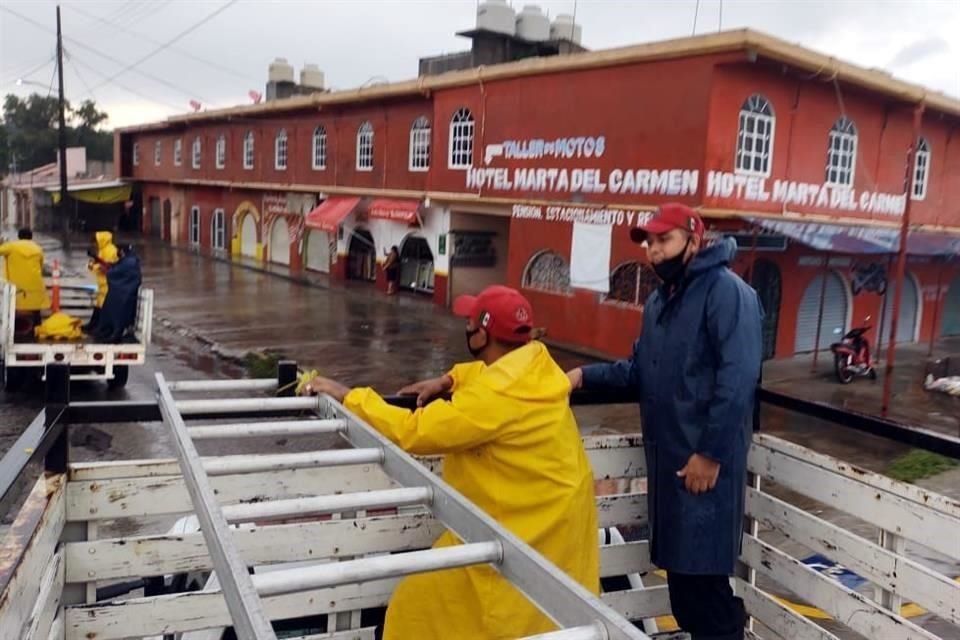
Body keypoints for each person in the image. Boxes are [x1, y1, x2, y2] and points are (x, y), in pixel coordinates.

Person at [300, 285, 599, 639]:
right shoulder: (539, 365)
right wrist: (450, 378)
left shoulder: (493, 397)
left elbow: (415, 432)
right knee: (533, 616)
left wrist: (350, 396)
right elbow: (494, 375)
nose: (467, 328)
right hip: (555, 522)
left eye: (471, 323)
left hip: (523, 530)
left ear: (482, 334)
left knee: (422, 607)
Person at [567, 204, 762, 640]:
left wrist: (709, 455)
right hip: (671, 467)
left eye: (665, 240)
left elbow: (738, 378)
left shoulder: (726, 293)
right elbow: (639, 371)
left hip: (705, 471)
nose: (655, 252)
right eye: (650, 243)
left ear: (694, 241)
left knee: (707, 593)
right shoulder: (660, 302)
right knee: (685, 593)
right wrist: (581, 376)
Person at [0, 228, 50, 336]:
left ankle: (12, 332)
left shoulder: (12, 247)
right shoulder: (38, 249)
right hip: (35, 285)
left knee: (12, 310)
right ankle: (37, 332)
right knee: (36, 310)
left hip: (17, 287)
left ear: (19, 236)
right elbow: (41, 266)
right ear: (31, 237)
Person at [94, 244, 142, 343]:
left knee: (114, 310)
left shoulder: (129, 262)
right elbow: (115, 267)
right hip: (122, 292)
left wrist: (106, 271)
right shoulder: (129, 260)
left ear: (122, 251)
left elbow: (115, 272)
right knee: (109, 307)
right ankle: (106, 331)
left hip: (124, 294)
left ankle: (114, 333)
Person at [85, 230, 119, 332]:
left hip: (108, 284)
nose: (94, 244)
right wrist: (93, 263)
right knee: (99, 305)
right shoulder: (102, 250)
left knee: (104, 306)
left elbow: (108, 268)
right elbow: (99, 263)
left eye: (95, 242)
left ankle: (101, 327)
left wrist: (96, 266)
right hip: (102, 284)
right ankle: (93, 325)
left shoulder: (111, 251)